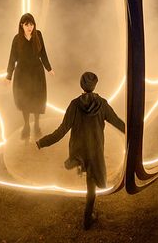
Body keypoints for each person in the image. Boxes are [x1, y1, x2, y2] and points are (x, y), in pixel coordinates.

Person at [36, 71, 125, 230]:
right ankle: (87, 218)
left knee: (84, 171)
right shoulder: (102, 104)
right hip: (95, 150)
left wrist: (42, 142)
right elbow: (117, 122)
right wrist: (134, 132)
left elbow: (61, 130)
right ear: (95, 85)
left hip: (79, 149)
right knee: (91, 186)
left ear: (81, 85)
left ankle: (75, 162)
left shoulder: (74, 105)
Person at [6, 13, 54, 139]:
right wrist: (8, 76)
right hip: (22, 74)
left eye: (31, 24)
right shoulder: (17, 39)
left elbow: (43, 53)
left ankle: (37, 124)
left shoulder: (38, 35)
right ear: (22, 25)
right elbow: (12, 58)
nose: (30, 27)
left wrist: (49, 68)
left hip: (37, 73)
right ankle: (26, 125)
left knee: (37, 98)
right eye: (27, 24)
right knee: (24, 99)